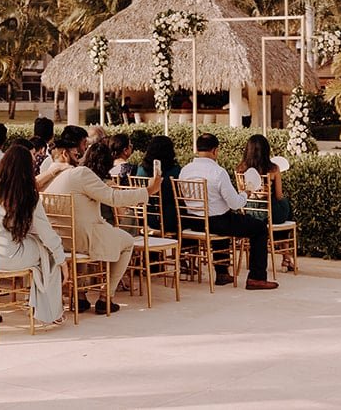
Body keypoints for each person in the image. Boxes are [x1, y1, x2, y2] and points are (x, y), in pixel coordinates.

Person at [46, 141, 155, 315]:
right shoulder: (81, 173)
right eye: (77, 150)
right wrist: (147, 191)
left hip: (60, 240)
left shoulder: (50, 176)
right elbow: (113, 198)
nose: (79, 153)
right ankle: (106, 296)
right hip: (84, 238)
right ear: (67, 154)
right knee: (127, 242)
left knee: (81, 242)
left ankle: (80, 296)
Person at [0, 144, 66, 327]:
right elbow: (45, 232)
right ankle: (50, 311)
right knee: (49, 253)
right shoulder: (27, 193)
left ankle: (41, 306)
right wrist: (62, 260)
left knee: (41, 247)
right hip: (5, 256)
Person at [178, 133, 276, 290]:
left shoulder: (185, 170)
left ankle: (222, 273)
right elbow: (235, 204)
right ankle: (256, 278)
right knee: (259, 228)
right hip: (216, 222)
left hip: (193, 221)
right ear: (215, 150)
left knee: (224, 215)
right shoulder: (218, 172)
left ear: (197, 149)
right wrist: (246, 193)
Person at [238, 133, 292, 224]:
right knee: (286, 203)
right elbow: (279, 196)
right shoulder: (273, 169)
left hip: (249, 212)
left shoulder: (240, 169)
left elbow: (241, 193)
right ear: (266, 150)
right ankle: (281, 235)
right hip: (270, 214)